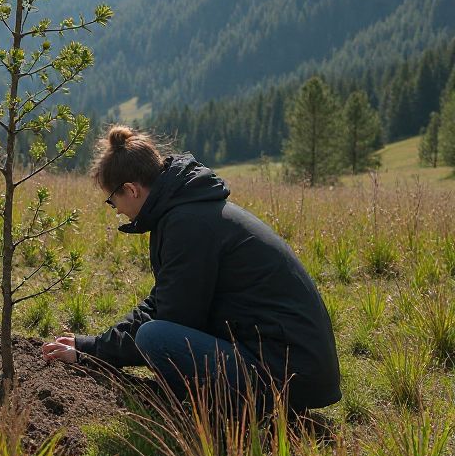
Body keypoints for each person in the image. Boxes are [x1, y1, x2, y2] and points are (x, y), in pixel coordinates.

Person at [42, 125, 341, 416]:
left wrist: (93, 352)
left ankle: (229, 413)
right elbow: (163, 301)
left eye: (112, 201)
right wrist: (91, 346)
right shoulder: (188, 210)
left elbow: (173, 319)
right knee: (156, 333)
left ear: (131, 190)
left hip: (287, 375)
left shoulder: (187, 224)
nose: (117, 210)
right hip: (293, 366)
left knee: (154, 338)